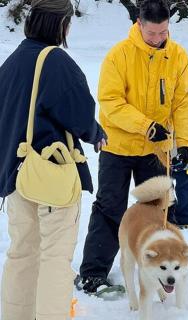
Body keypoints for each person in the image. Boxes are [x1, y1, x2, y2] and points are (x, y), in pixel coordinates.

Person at [75, 0, 188, 295]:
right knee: (110, 207)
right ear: (139, 24)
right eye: (152, 33)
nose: (158, 39)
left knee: (158, 209)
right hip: (118, 146)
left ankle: (156, 268)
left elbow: (184, 102)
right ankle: (92, 274)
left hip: (155, 150)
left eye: (163, 33)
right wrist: (146, 126)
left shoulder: (178, 55)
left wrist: (185, 143)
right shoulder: (119, 55)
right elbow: (111, 102)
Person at [0, 1, 106, 319]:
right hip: (50, 178)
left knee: (22, 256)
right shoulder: (55, 61)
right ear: (60, 25)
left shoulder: (11, 62)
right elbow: (80, 112)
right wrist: (95, 133)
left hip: (14, 177)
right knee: (54, 260)